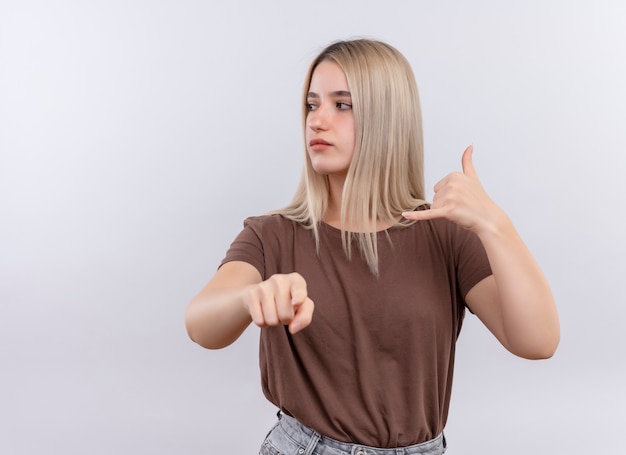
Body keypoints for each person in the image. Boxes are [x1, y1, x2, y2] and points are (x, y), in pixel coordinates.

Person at [185, 38, 560, 454]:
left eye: (341, 105)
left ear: (387, 118)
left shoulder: (444, 236)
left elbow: (537, 342)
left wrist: (495, 225)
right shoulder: (272, 234)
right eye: (312, 105)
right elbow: (200, 325)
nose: (317, 120)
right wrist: (250, 296)